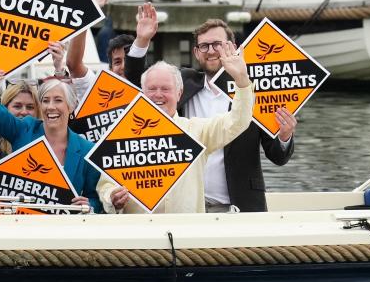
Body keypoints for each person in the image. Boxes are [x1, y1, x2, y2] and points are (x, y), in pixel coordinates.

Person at [124, 4, 296, 212]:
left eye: (217, 44)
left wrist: (284, 136)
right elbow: (137, 83)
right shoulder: (182, 84)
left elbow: (278, 156)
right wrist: (142, 40)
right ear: (196, 52)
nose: (211, 51)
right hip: (187, 205)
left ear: (233, 47)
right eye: (204, 46)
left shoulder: (252, 90)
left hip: (239, 204)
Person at [0, 27, 103, 212]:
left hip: (64, 233)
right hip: (21, 228)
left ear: (71, 107)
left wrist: (89, 206)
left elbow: (95, 198)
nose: (51, 107)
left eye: (58, 100)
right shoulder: (24, 129)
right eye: (45, 101)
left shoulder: (87, 149)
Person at [98, 42, 254, 214]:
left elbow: (238, 121)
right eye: (151, 89)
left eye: (165, 89)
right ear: (142, 93)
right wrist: (112, 197)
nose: (158, 95)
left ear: (179, 94)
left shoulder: (197, 131)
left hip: (187, 234)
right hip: (139, 234)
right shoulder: (121, 134)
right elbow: (106, 185)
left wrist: (241, 80)